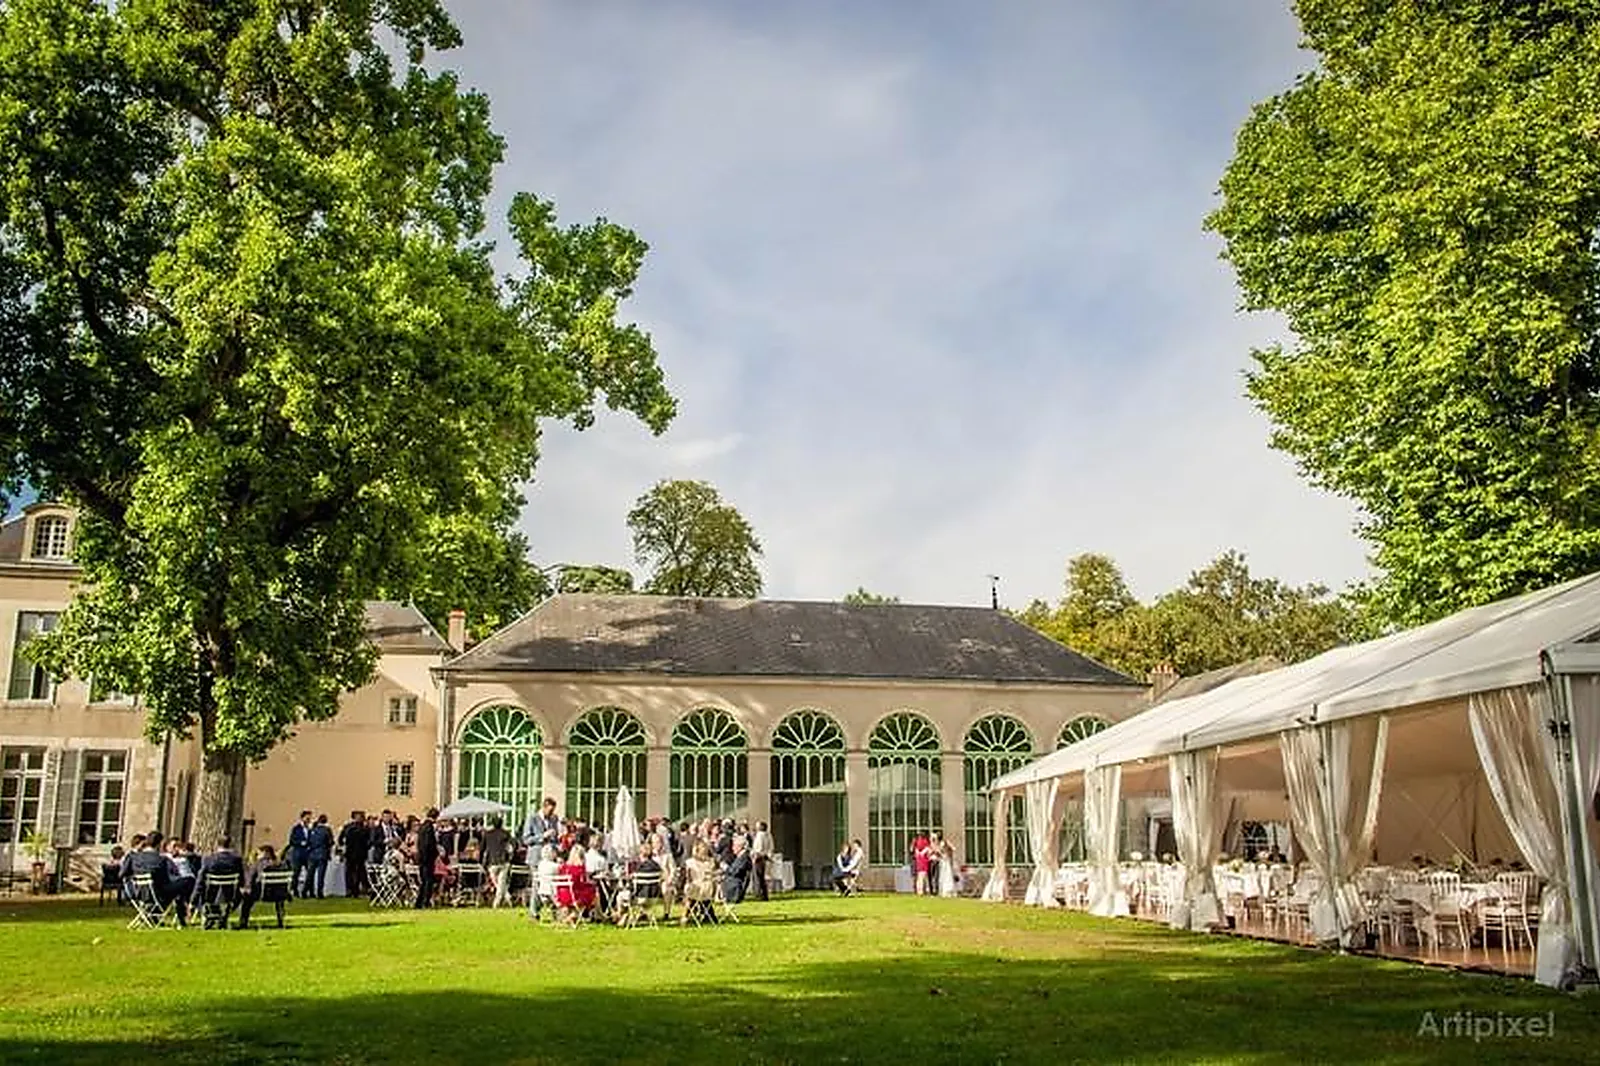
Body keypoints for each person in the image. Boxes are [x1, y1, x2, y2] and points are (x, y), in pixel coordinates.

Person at [127, 831, 189, 926]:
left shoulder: (136, 858)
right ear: (159, 844)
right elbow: (166, 879)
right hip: (158, 893)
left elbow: (127, 874)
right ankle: (182, 915)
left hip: (139, 893)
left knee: (178, 889)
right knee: (186, 881)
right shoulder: (161, 859)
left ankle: (154, 915)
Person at [193, 837, 246, 925]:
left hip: (210, 893)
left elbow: (201, 878)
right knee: (239, 894)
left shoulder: (208, 859)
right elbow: (241, 877)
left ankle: (211, 914)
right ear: (230, 844)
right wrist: (242, 886)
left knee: (202, 889)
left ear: (217, 845)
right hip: (231, 893)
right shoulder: (236, 860)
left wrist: (193, 899)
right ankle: (223, 915)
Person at [238, 844, 290, 929]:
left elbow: (250, 877)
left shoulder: (259, 864)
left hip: (262, 893)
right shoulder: (282, 865)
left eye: (259, 853)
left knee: (247, 899)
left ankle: (243, 922)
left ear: (265, 853)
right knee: (279, 900)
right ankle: (281, 921)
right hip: (279, 894)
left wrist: (247, 888)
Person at [481, 814, 512, 908]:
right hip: (504, 861)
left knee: (496, 882)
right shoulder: (506, 834)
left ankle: (497, 903)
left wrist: (481, 862)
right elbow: (512, 846)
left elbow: (482, 849)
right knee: (501, 882)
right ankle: (506, 896)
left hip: (492, 861)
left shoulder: (487, 834)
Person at [338, 810, 370, 898]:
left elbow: (341, 839)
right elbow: (341, 839)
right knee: (355, 873)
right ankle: (353, 891)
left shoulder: (349, 827)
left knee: (353, 873)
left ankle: (352, 890)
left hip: (354, 853)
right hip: (356, 853)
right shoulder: (363, 828)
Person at [414, 808, 439, 908]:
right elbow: (429, 844)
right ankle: (425, 901)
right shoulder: (429, 827)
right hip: (428, 858)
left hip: (421, 858)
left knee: (424, 881)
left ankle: (419, 902)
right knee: (428, 881)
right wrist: (435, 853)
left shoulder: (422, 827)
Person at [306, 813, 334, 898]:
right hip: (322, 854)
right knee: (321, 875)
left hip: (312, 854)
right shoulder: (327, 830)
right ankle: (319, 892)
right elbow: (330, 842)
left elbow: (308, 841)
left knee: (310, 874)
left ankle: (305, 890)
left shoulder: (312, 830)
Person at [287, 810, 312, 897]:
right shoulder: (296, 828)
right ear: (302, 818)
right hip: (298, 853)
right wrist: (301, 843)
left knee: (310, 873)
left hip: (307, 854)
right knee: (296, 873)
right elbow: (291, 841)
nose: (309, 819)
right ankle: (294, 890)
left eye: (309, 818)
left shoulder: (310, 829)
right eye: (307, 818)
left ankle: (308, 891)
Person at [722, 836, 753, 905]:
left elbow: (735, 872)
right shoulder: (741, 857)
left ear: (740, 847)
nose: (732, 848)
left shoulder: (744, 858)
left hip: (734, 888)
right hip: (731, 885)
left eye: (734, 846)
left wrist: (725, 868)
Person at [750, 820, 773, 901]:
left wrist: (755, 856)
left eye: (757, 825)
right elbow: (771, 847)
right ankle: (764, 894)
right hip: (764, 857)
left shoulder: (760, 835)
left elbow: (758, 848)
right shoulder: (768, 835)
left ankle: (759, 894)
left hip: (759, 857)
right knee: (762, 877)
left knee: (758, 877)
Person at [935, 832, 957, 898]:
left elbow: (953, 848)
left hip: (945, 860)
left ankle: (947, 890)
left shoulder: (942, 843)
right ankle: (946, 890)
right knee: (945, 874)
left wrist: (946, 854)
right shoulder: (944, 842)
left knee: (946, 874)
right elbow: (953, 848)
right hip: (944, 860)